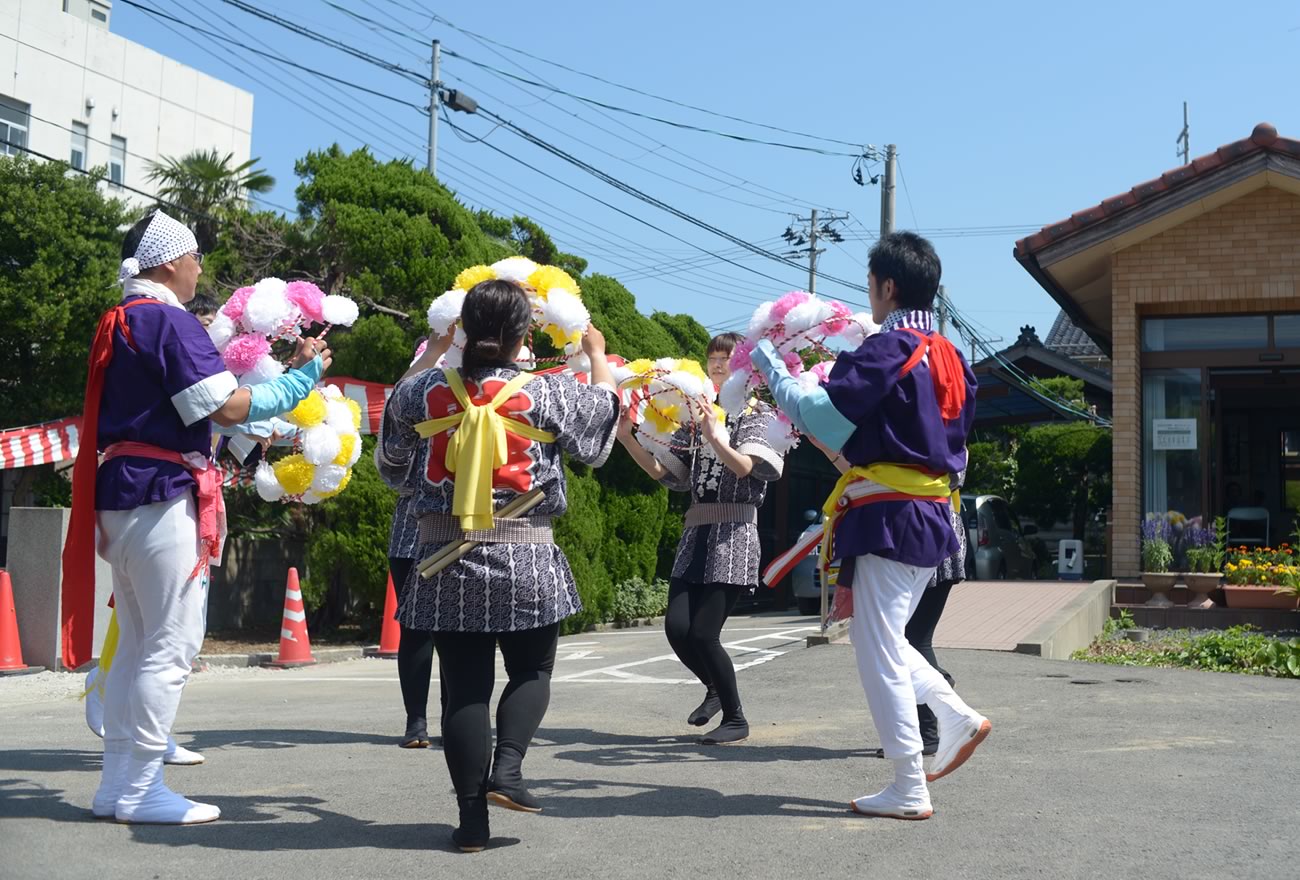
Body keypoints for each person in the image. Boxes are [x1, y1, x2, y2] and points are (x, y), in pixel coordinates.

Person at [61, 210, 331, 825]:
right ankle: (137, 789)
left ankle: (120, 787)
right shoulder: (166, 321)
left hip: (122, 493)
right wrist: (300, 380)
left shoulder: (123, 321)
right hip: (159, 494)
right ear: (167, 263)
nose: (200, 266)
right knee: (170, 648)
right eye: (194, 256)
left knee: (136, 648)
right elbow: (227, 406)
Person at [750, 231, 988, 820]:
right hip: (931, 516)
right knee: (884, 641)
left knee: (877, 647)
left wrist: (773, 370)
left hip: (888, 513)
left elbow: (820, 417)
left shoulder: (889, 348)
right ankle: (954, 719)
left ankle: (912, 781)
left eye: (870, 284)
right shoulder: (952, 356)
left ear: (886, 286)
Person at [375, 279, 619, 852]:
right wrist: (598, 357)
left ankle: (471, 824)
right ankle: (507, 769)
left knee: (463, 689)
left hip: (443, 556)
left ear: (461, 329)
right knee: (532, 671)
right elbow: (601, 436)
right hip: (527, 550)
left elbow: (390, 468)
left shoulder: (419, 393)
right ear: (523, 335)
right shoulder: (549, 392)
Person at [616, 333, 784, 745]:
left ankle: (735, 717)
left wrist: (715, 437)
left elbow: (749, 467)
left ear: (746, 367)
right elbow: (665, 472)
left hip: (735, 533)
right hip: (696, 533)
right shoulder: (695, 414)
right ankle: (713, 688)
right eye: (712, 359)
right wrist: (626, 436)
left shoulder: (759, 415)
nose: (717, 365)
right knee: (677, 628)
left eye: (726, 359)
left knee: (705, 633)